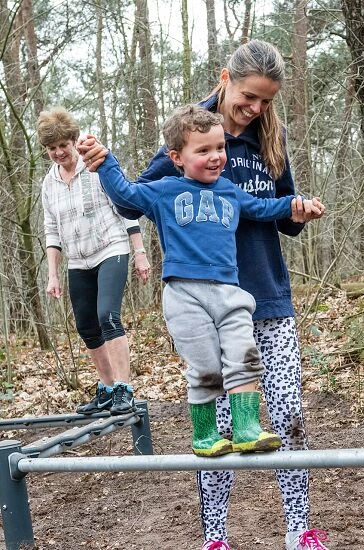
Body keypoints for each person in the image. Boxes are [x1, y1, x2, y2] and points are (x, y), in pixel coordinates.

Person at [81, 39, 331, 550]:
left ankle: (298, 528)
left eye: (266, 100)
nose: (255, 108)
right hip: (204, 300)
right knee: (219, 422)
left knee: (287, 414)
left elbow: (284, 215)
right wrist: (105, 164)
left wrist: (299, 210)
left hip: (266, 294)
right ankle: (215, 537)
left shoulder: (270, 138)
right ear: (224, 78)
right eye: (248, 96)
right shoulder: (194, 131)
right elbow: (135, 200)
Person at [81, 104, 324, 459]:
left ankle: (247, 428)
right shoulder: (164, 190)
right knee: (207, 368)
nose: (216, 157)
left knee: (244, 356)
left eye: (220, 148)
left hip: (230, 291)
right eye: (204, 150)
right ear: (177, 157)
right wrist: (106, 162)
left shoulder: (229, 191)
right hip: (185, 295)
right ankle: (205, 434)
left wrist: (296, 205)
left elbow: (262, 208)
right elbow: (126, 195)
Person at [37, 106, 151, 417]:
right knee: (86, 325)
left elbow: (126, 208)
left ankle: (124, 388)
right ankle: (107, 387)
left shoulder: (97, 168)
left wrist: (140, 252)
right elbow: (51, 230)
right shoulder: (49, 183)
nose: (59, 152)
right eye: (52, 148)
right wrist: (53, 274)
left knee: (107, 316)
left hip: (110, 248)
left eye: (63, 145)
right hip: (78, 259)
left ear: (74, 140)